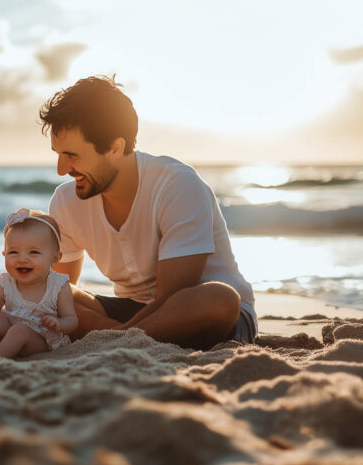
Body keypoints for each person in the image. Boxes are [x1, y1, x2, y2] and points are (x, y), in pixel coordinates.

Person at [40, 76, 258, 349]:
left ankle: (116, 340)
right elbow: (57, 291)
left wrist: (110, 332)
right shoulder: (66, 200)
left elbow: (171, 296)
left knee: (220, 297)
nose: (61, 169)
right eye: (58, 154)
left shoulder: (178, 185)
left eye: (72, 155)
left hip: (204, 312)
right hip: (134, 313)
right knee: (51, 291)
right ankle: (123, 339)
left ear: (115, 148)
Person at [0, 208, 78, 358]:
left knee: (19, 331)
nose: (22, 259)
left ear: (55, 258)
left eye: (33, 252)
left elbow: (72, 320)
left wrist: (59, 324)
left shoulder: (58, 286)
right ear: (4, 254)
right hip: (9, 334)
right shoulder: (6, 282)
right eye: (13, 252)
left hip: (41, 341)